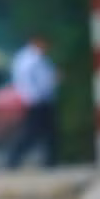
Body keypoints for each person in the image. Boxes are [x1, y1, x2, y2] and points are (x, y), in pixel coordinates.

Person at [9, 34, 58, 169]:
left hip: (42, 99)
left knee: (49, 132)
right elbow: (29, 81)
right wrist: (33, 95)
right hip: (36, 101)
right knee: (32, 133)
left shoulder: (37, 58)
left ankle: (50, 161)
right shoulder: (29, 59)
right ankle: (14, 158)